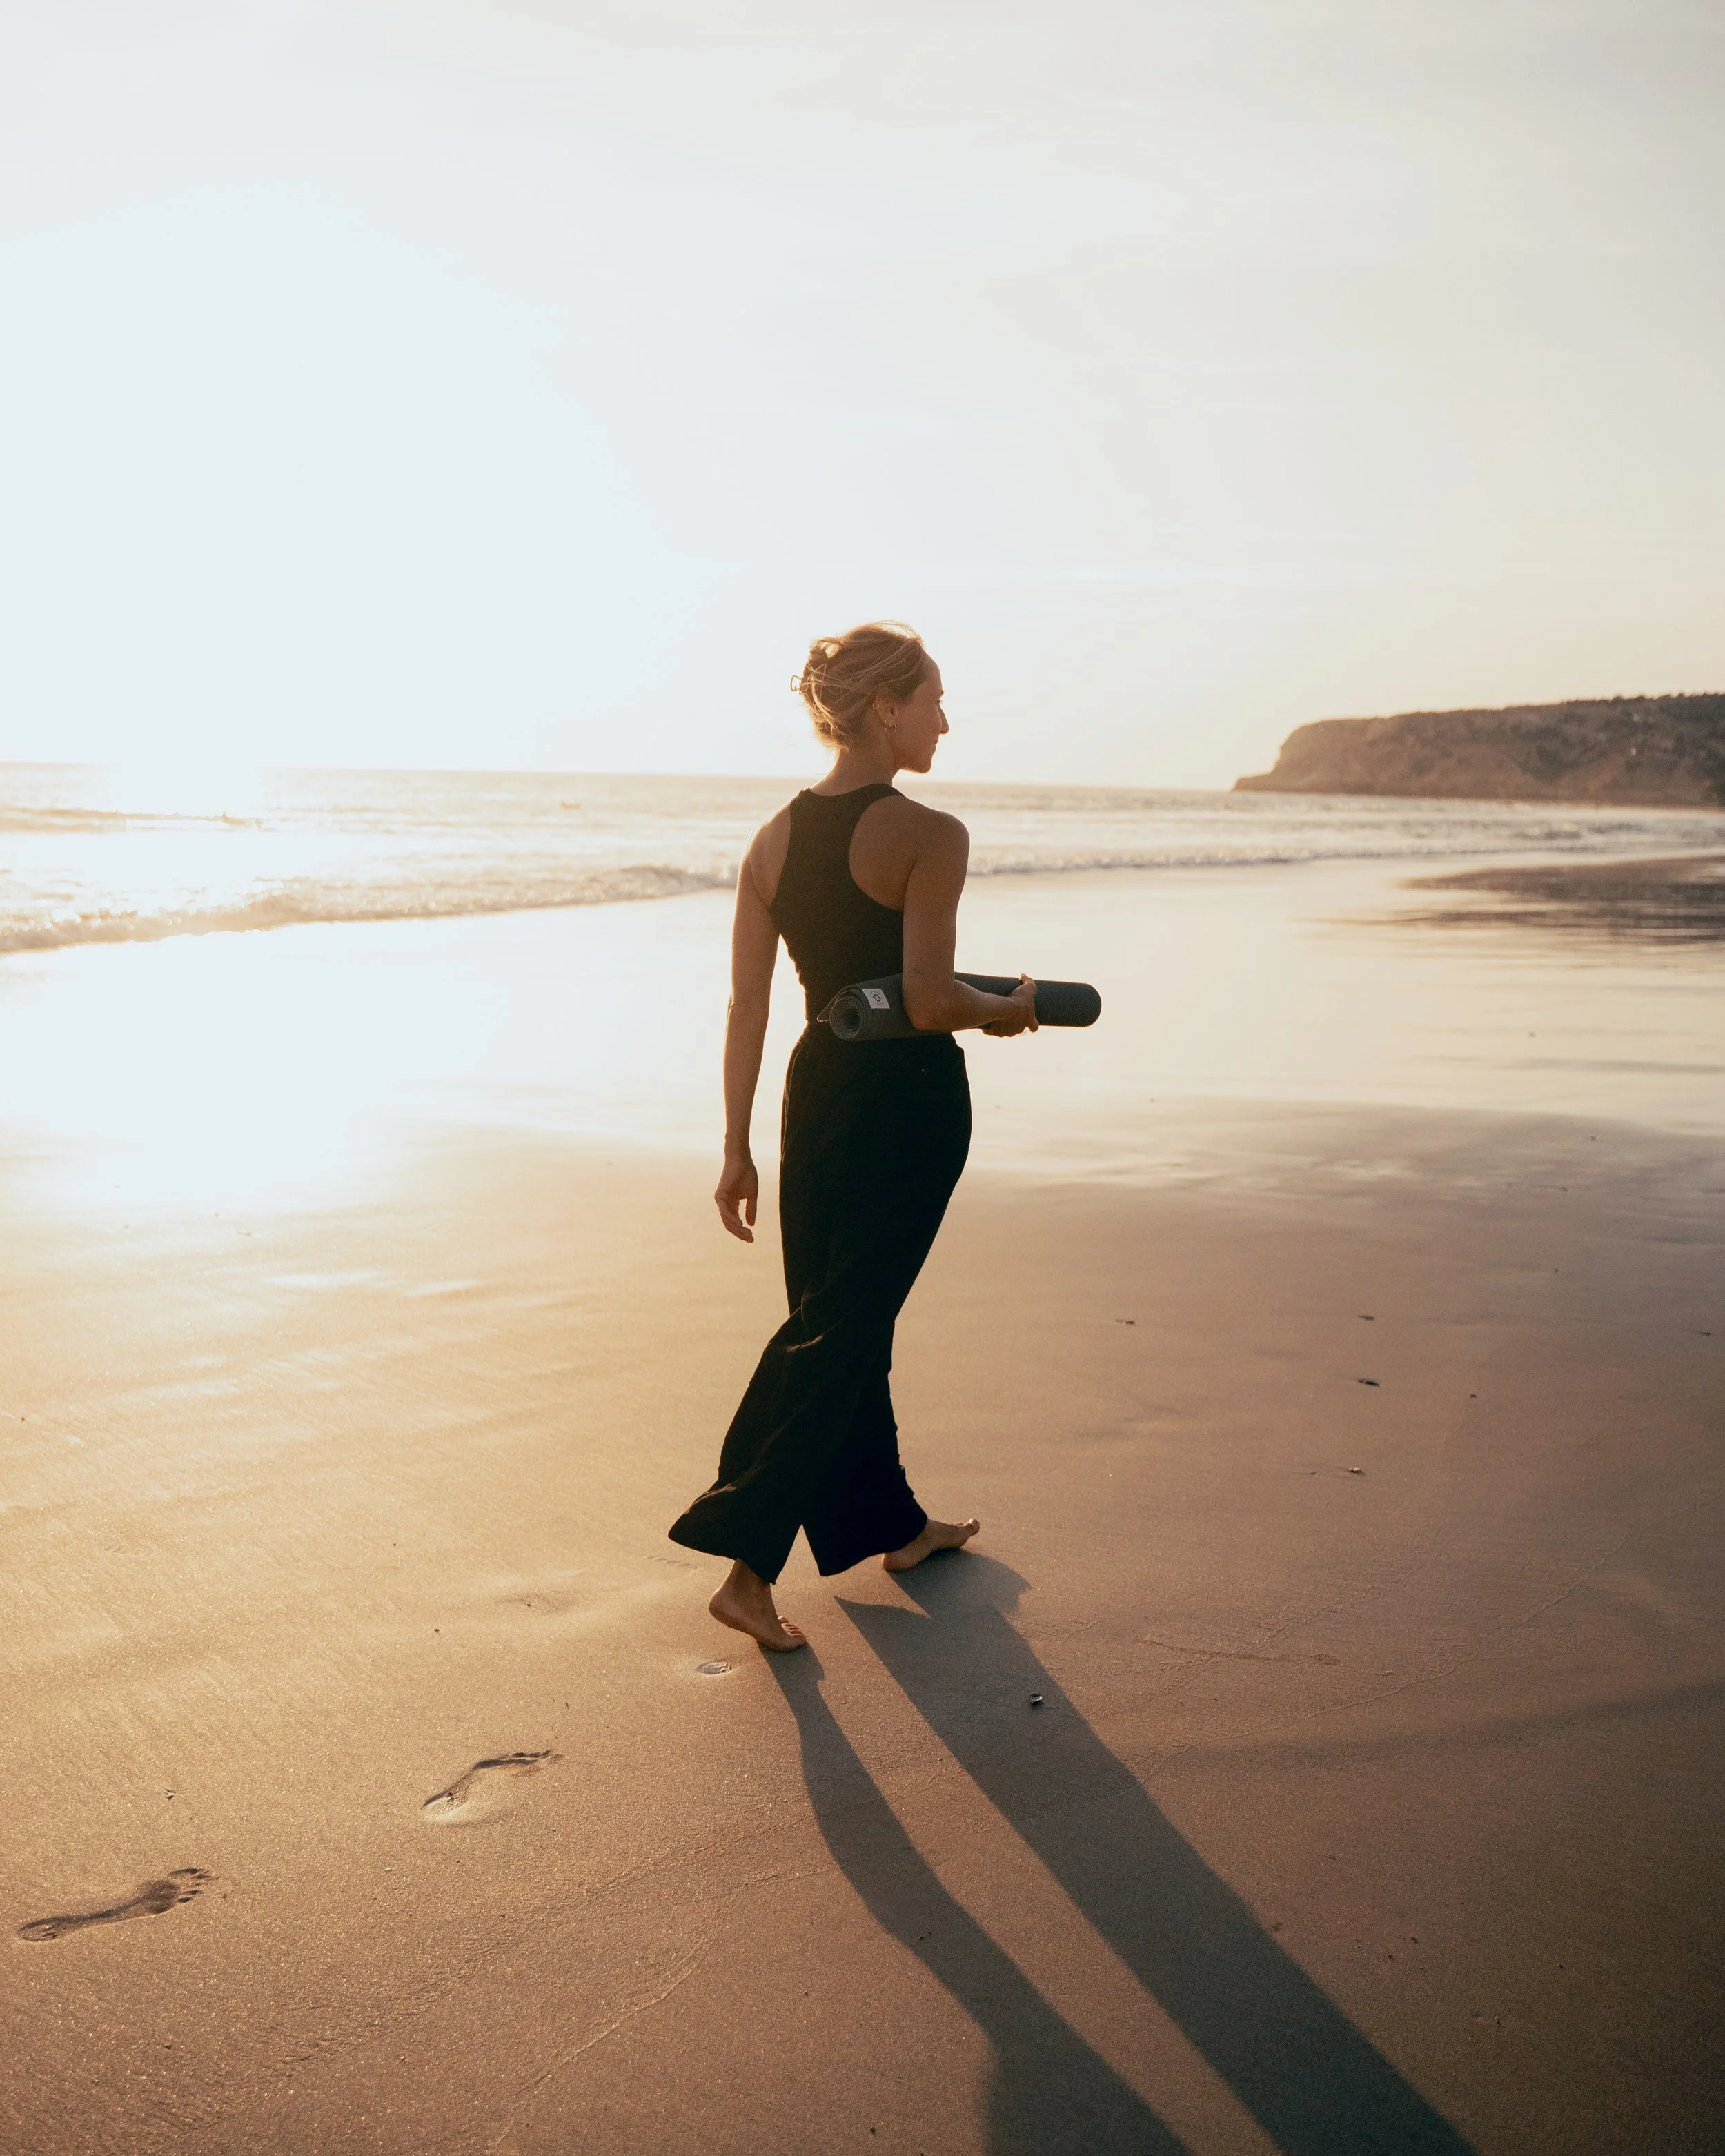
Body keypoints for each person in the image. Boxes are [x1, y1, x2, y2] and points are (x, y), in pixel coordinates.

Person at [667, 623, 1041, 1650]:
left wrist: (737, 1147)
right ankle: (747, 1563)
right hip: (905, 1096)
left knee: (843, 1312)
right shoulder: (930, 835)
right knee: (841, 1325)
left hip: (813, 1088)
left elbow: (747, 1006)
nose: (944, 720)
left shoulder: (770, 840)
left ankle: (894, 1524)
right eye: (933, 701)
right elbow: (927, 998)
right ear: (887, 708)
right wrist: (1002, 1009)